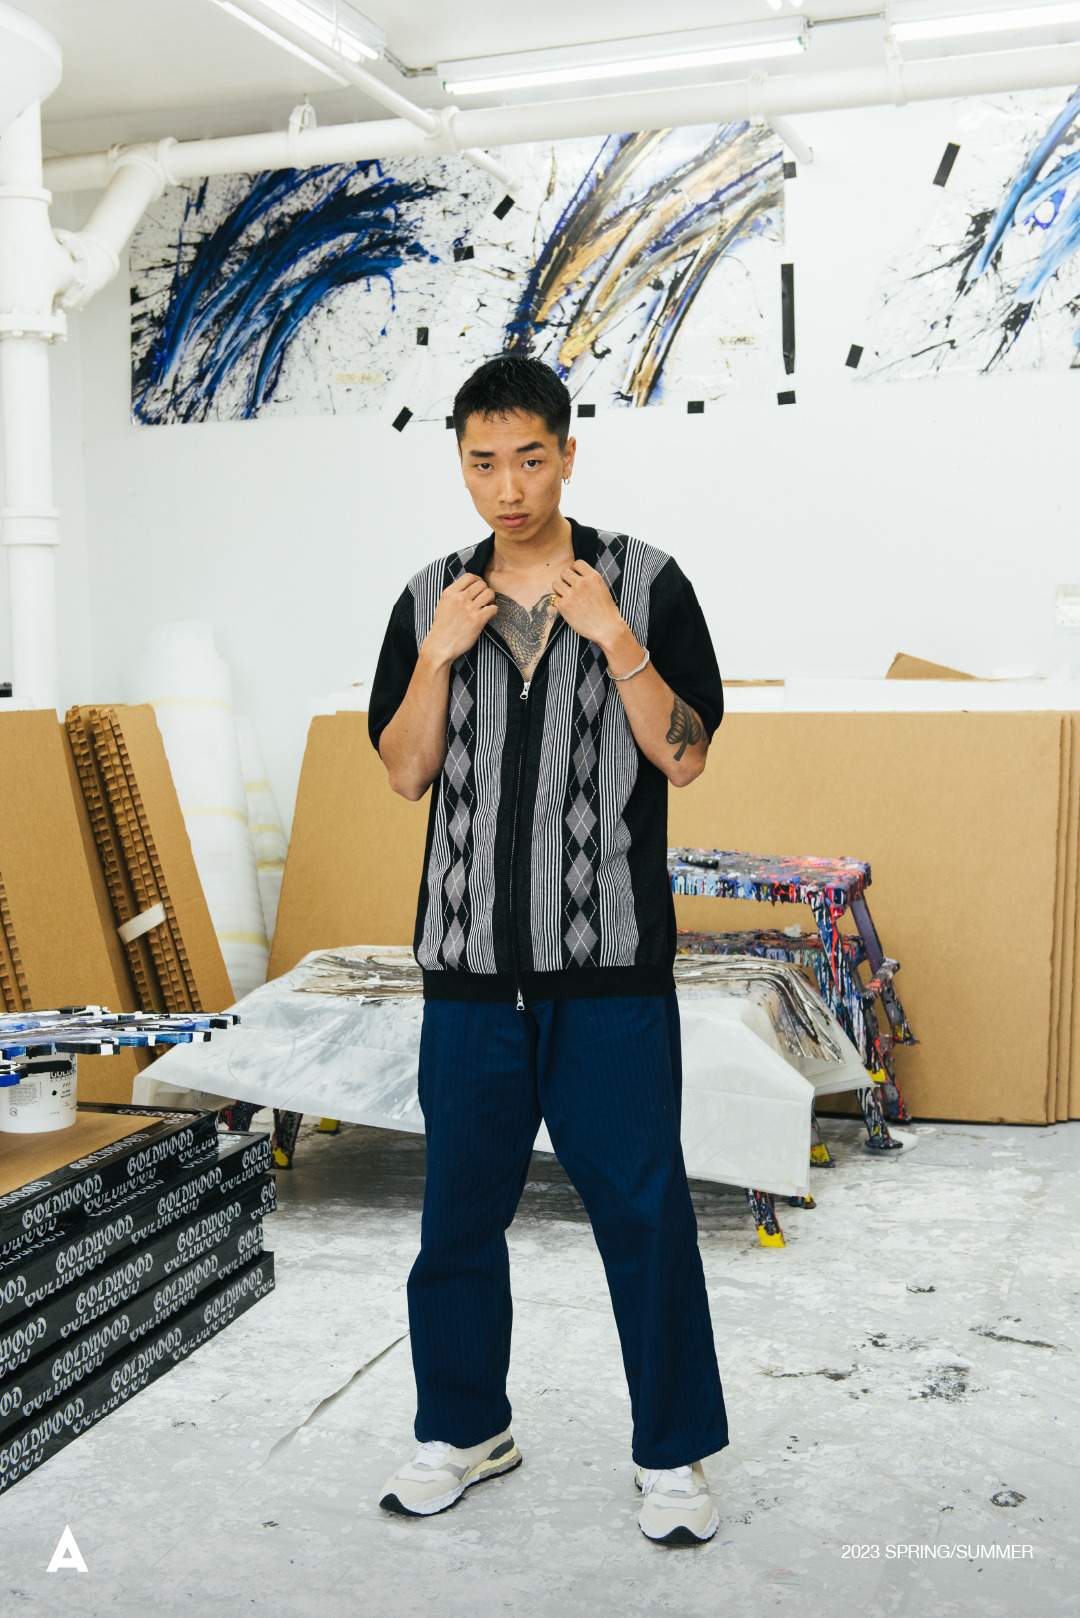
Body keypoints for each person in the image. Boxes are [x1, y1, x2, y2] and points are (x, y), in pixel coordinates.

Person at [367, 356, 727, 1547]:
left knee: (643, 1211)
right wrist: (437, 653)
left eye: (530, 458)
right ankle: (464, 1427)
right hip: (469, 974)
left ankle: (671, 1452)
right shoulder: (431, 595)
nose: (509, 487)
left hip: (608, 970)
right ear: (460, 464)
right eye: (484, 463)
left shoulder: (647, 581)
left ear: (569, 453)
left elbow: (685, 756)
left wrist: (615, 636)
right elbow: (406, 771)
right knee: (457, 1220)